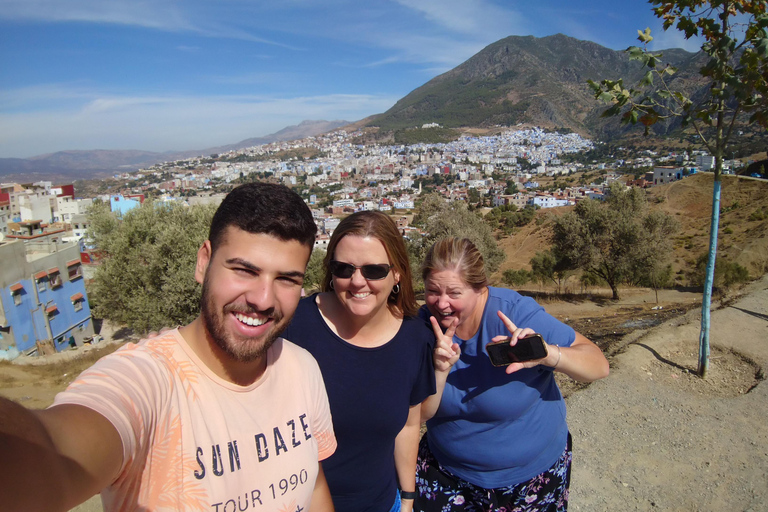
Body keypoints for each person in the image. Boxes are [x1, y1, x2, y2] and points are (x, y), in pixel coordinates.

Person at [0, 183, 337, 512]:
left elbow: (314, 484)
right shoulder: (147, 382)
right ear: (203, 262)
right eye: (244, 270)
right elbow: (51, 456)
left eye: (287, 279)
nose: (263, 300)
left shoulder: (301, 368)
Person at [415, 237, 610, 512]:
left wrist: (547, 354)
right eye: (433, 291)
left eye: (454, 293)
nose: (442, 303)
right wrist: (439, 371)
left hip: (532, 478)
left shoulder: (515, 312)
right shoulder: (420, 327)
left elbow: (598, 365)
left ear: (480, 288)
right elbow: (415, 416)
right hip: (448, 474)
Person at [282, 211, 436, 512]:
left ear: (397, 274)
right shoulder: (293, 326)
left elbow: (408, 423)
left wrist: (407, 499)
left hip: (382, 504)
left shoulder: (415, 336)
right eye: (343, 268)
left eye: (374, 271)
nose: (356, 282)